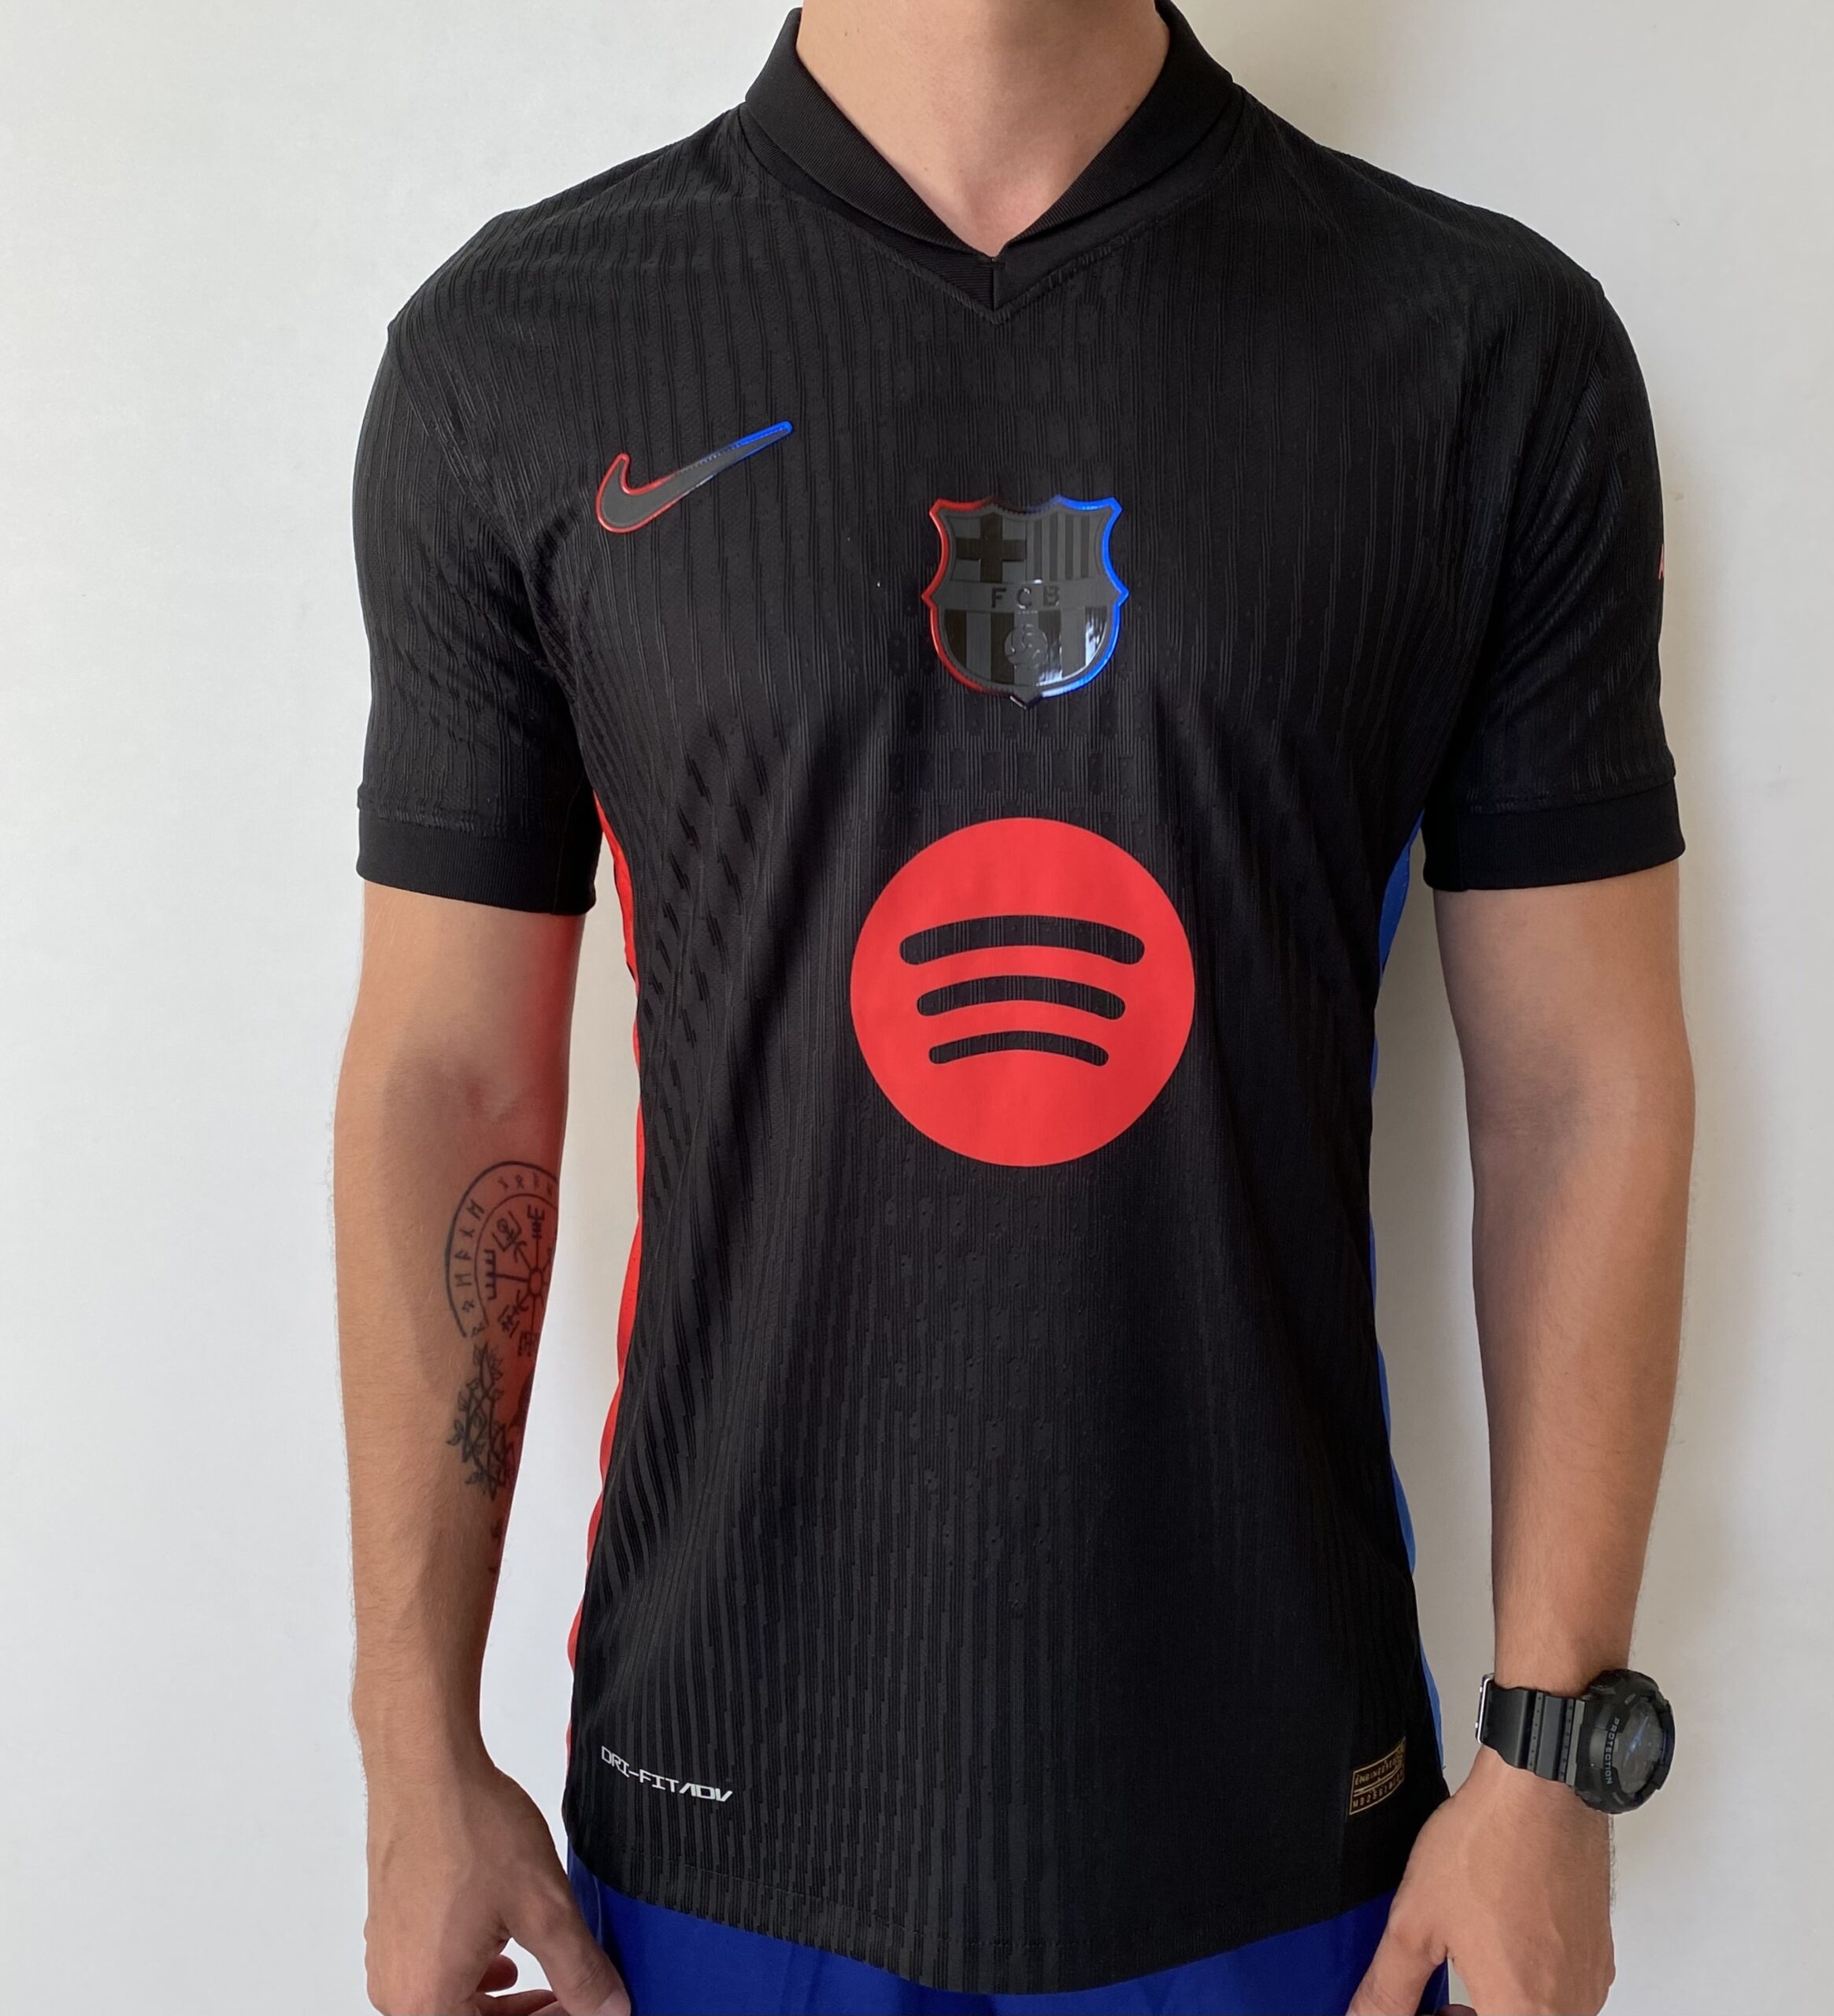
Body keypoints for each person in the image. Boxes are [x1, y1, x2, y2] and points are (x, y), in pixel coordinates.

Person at [335, 1, 1695, 2010]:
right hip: (716, 1817)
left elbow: (1579, 1083)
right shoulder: (520, 355)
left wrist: (1552, 1762)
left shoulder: (1478, 349)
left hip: (1282, 1823)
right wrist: (410, 1750)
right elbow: (449, 1081)